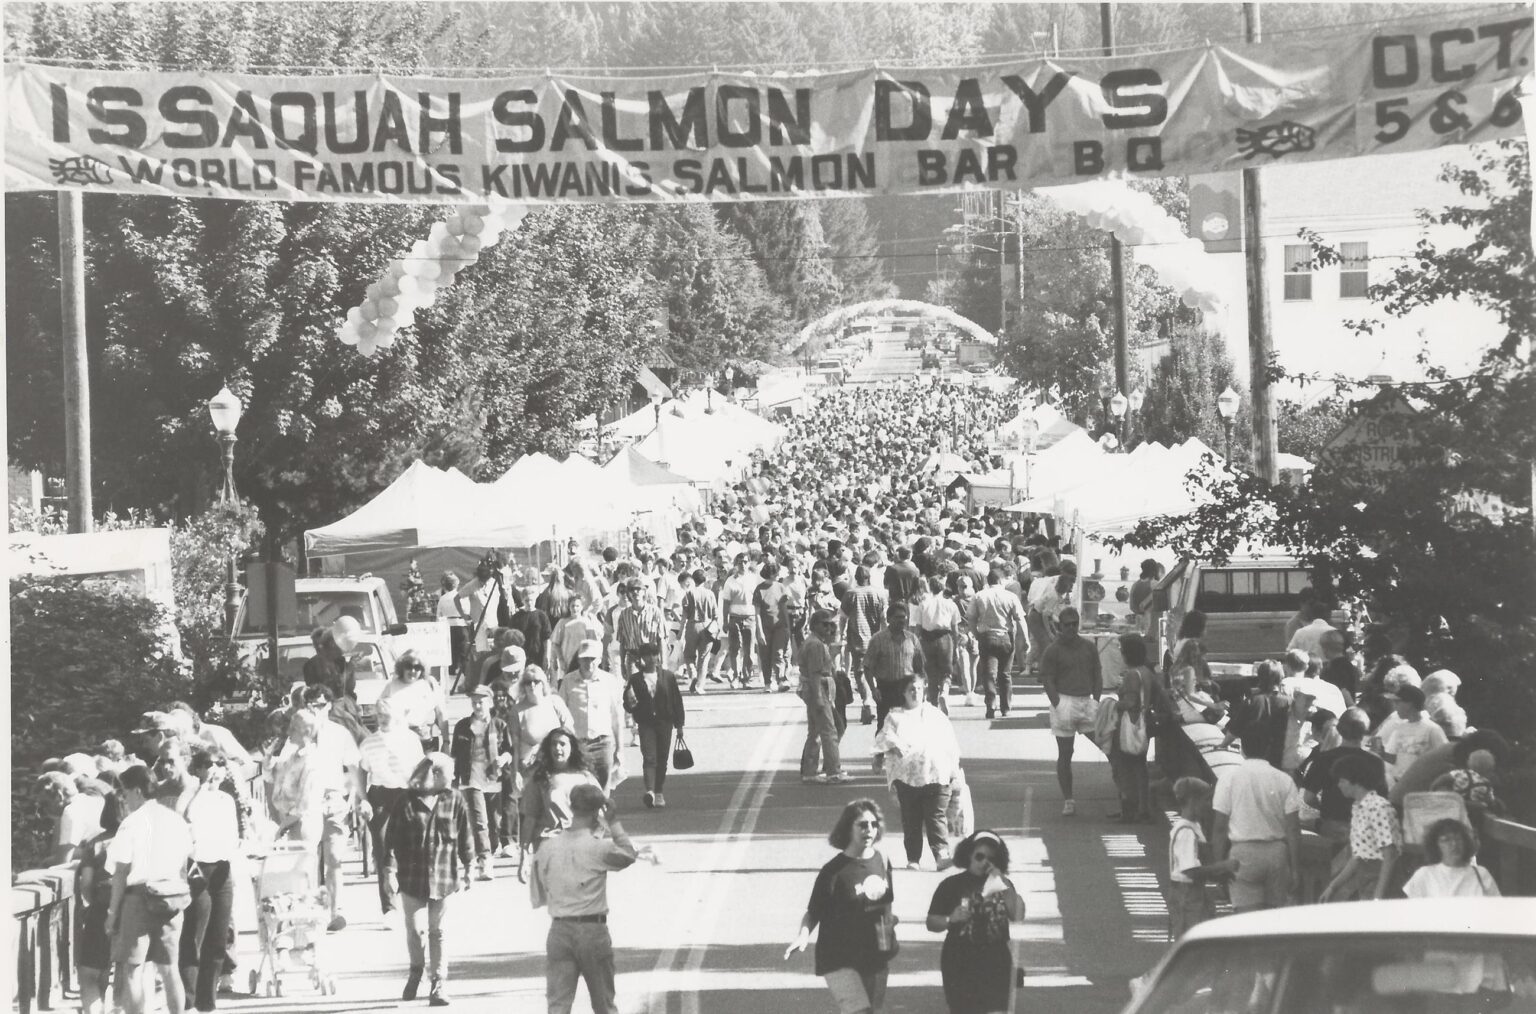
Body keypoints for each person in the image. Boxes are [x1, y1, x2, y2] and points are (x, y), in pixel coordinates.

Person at [529, 784, 639, 1014]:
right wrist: (613, 822)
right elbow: (628, 853)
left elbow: (539, 893)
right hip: (592, 929)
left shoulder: (547, 847)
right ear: (599, 812)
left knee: (558, 1005)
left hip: (559, 928)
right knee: (604, 1005)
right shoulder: (598, 848)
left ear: (571, 807)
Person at [785, 799, 898, 1014]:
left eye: (874, 824)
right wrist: (803, 935)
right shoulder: (833, 871)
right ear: (848, 827)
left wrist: (889, 923)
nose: (870, 830)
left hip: (875, 954)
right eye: (863, 825)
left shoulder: (882, 860)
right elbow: (813, 912)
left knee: (872, 1011)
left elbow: (886, 901)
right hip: (839, 958)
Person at [380, 753, 473, 1007]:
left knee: (438, 931)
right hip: (412, 877)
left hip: (444, 876)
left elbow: (465, 834)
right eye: (449, 772)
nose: (453, 777)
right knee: (415, 929)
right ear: (434, 773)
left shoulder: (454, 799)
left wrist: (470, 865)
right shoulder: (405, 801)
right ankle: (416, 970)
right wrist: (389, 870)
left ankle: (439, 982)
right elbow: (391, 840)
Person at [107, 763, 194, 1014]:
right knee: (169, 969)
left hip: (139, 898)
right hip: (171, 896)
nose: (123, 799)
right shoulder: (175, 819)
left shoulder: (131, 823)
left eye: (124, 792)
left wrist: (112, 913)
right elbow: (185, 860)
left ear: (136, 791)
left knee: (133, 969)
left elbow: (121, 871)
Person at [925, 830, 1025, 1014]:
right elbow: (931, 922)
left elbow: (1018, 915)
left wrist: (1004, 883)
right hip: (960, 960)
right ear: (968, 854)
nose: (984, 862)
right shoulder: (951, 885)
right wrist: (950, 919)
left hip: (996, 959)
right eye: (979, 856)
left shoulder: (1003, 884)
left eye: (991, 858)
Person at [1211, 731, 1302, 913]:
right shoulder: (1285, 780)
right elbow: (1293, 829)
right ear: (1268, 749)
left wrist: (1219, 865)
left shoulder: (1228, 778)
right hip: (1277, 853)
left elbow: (1220, 828)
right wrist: (1295, 869)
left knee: (1246, 922)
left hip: (1242, 854)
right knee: (1273, 920)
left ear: (1242, 748)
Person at [176, 749, 239, 1013]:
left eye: (219, 764)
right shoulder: (191, 796)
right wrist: (202, 789)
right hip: (197, 867)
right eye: (208, 765)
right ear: (198, 769)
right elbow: (185, 818)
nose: (214, 769)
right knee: (194, 935)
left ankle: (206, 1002)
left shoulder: (227, 799)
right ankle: (188, 1001)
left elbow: (233, 834)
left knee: (218, 936)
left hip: (222, 867)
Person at [876, 676, 959, 870]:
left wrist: (954, 770)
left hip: (936, 775)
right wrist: (885, 752)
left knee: (936, 817)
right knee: (911, 818)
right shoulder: (895, 717)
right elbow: (884, 739)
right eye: (911, 689)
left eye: (919, 689)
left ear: (925, 690)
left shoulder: (936, 715)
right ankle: (913, 859)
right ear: (904, 693)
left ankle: (941, 855)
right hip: (907, 779)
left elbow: (951, 743)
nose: (916, 693)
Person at [358, 698, 424, 918]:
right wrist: (363, 798)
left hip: (405, 794)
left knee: (407, 849)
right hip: (379, 795)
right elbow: (361, 771)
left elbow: (421, 769)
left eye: (386, 715)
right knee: (382, 849)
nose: (382, 719)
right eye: (379, 715)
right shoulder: (369, 743)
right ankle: (388, 906)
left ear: (396, 716)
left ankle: (410, 898)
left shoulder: (410, 739)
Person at [1038, 607, 1103, 817]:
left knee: (1107, 745)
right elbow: (1047, 678)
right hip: (1064, 701)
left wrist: (1096, 698)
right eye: (1068, 625)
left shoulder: (1088, 646)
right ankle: (1069, 800)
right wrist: (1057, 702)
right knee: (1066, 754)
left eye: (1075, 624)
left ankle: (1124, 792)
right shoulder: (1053, 650)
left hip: (1086, 702)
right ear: (1060, 626)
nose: (1072, 628)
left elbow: (1097, 672)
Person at [450, 685, 515, 881]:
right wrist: (452, 780)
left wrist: (504, 758)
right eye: (474, 702)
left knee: (495, 824)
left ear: (490, 701)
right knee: (480, 822)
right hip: (471, 779)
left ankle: (490, 848)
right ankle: (485, 859)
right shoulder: (463, 726)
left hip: (493, 779)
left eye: (481, 702)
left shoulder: (500, 725)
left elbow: (510, 751)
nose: (478, 706)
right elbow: (454, 755)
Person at [1319, 752, 1401, 903]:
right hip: (1364, 879)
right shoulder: (1358, 808)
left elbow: (1389, 855)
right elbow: (1358, 856)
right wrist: (1333, 886)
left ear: (1354, 782)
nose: (1339, 785)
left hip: (1380, 879)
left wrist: (1378, 897)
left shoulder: (1379, 807)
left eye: (1342, 781)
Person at [1166, 778, 1238, 940]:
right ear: (1192, 801)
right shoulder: (1186, 832)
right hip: (1187, 895)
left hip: (1194, 892)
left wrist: (1219, 874)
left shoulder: (1194, 827)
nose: (1209, 805)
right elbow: (1190, 870)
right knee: (1190, 936)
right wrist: (1223, 867)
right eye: (1206, 799)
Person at [1300, 708, 1383, 841]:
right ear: (1364, 731)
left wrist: (1324, 808)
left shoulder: (1324, 759)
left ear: (1339, 729)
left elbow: (1308, 798)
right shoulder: (1375, 762)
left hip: (1332, 824)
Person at [76, 785, 122, 1014]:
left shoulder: (95, 844)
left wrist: (91, 900)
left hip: (101, 909)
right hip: (132, 909)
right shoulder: (141, 838)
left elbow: (85, 884)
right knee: (126, 971)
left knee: (90, 973)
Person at [622, 647, 685, 809]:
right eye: (648, 655)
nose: (652, 658)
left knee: (662, 758)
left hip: (665, 722)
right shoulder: (635, 679)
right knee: (650, 757)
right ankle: (649, 791)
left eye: (654, 654)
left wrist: (679, 726)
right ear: (642, 658)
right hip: (646, 723)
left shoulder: (668, 677)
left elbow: (676, 701)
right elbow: (628, 704)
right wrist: (630, 702)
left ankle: (658, 791)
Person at [558, 639, 625, 791]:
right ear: (579, 659)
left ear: (600, 660)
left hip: (603, 743)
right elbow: (561, 714)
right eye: (585, 658)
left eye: (592, 659)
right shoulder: (568, 681)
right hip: (577, 744)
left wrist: (620, 749)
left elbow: (617, 718)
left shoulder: (609, 681)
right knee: (578, 789)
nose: (589, 663)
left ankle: (600, 815)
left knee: (602, 790)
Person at [520, 729, 603, 845]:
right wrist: (523, 855)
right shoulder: (540, 779)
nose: (557, 748)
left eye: (562, 744)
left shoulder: (586, 777)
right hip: (549, 841)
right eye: (554, 744)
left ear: (572, 748)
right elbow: (530, 818)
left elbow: (600, 816)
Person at [1109, 634, 1158, 824]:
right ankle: (1143, 808)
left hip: (1130, 724)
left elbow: (1130, 702)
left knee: (1125, 768)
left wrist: (1113, 704)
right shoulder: (1146, 671)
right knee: (1140, 767)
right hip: (1142, 723)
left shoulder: (1131, 675)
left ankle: (1128, 810)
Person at [966, 569, 1026, 720]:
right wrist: (1026, 639)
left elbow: (971, 618)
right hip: (1006, 637)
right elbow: (1020, 619)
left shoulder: (979, 596)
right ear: (1001, 581)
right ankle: (1006, 707)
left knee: (988, 674)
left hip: (986, 636)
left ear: (987, 581)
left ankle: (991, 705)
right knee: (1005, 674)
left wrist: (977, 634)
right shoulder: (1010, 596)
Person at [864, 601, 925, 748]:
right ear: (889, 618)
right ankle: (880, 756)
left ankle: (905, 756)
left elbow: (920, 666)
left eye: (904, 617)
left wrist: (922, 688)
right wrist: (873, 689)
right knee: (885, 725)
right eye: (898, 617)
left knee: (908, 724)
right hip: (886, 688)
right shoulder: (878, 640)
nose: (902, 620)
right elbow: (867, 666)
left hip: (907, 689)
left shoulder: (912, 639)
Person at [799, 609, 849, 784]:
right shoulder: (815, 645)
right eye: (824, 624)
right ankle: (833, 771)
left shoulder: (819, 642)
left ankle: (809, 771)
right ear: (814, 625)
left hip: (820, 689)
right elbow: (815, 674)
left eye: (830, 624)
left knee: (816, 731)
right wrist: (819, 698)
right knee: (829, 730)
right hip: (818, 689)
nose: (829, 627)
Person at [1403, 819, 1501, 898]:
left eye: (1458, 839)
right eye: (1446, 840)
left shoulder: (1481, 873)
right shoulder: (1425, 875)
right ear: (1436, 846)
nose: (1454, 844)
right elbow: (1412, 914)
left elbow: (1498, 910)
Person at [1372, 683, 1447, 785]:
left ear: (1409, 704)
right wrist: (1382, 753)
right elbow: (1394, 758)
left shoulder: (1432, 729)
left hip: (1421, 783)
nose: (1395, 707)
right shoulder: (1399, 728)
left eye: (1397, 703)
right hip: (1400, 781)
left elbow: (1444, 756)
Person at [381, 650, 450, 752]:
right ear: (402, 667)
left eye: (417, 667)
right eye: (409, 666)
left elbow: (441, 713)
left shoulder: (430, 683)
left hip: (426, 739)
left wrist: (446, 741)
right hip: (400, 740)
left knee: (426, 768)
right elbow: (381, 714)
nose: (413, 671)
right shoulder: (392, 685)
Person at [914, 576, 962, 712]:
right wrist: (956, 645)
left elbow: (918, 627)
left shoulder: (923, 604)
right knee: (947, 670)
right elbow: (955, 629)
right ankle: (945, 692)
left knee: (931, 673)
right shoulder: (951, 604)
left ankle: (934, 704)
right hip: (944, 637)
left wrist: (916, 643)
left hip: (927, 639)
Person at [38, 769, 104, 865]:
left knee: (45, 864)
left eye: (44, 803)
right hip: (101, 853)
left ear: (59, 796)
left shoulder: (70, 811)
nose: (43, 809)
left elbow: (63, 861)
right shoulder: (87, 799)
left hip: (98, 859)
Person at [720, 552, 760, 687]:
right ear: (736, 563)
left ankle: (747, 677)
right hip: (735, 617)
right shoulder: (730, 580)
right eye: (740, 562)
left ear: (749, 563)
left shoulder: (754, 579)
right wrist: (725, 621)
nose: (743, 564)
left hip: (750, 617)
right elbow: (726, 603)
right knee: (735, 648)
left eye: (745, 561)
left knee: (749, 650)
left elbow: (758, 600)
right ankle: (736, 676)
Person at [753, 559, 793, 692]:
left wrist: (787, 627)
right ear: (771, 574)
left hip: (780, 625)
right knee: (765, 655)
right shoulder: (759, 589)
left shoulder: (781, 587)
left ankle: (781, 680)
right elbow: (757, 613)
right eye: (776, 572)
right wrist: (759, 631)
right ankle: (768, 683)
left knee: (778, 653)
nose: (778, 575)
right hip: (765, 626)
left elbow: (784, 608)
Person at [681, 567, 723, 692]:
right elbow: (716, 614)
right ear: (705, 579)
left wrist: (680, 631)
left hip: (693, 625)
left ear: (693, 579)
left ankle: (693, 674)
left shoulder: (689, 593)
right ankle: (700, 685)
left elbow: (685, 613)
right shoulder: (710, 593)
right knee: (704, 658)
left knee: (689, 655)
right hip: (707, 626)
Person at [437, 572, 468, 679]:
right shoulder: (461, 597)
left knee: (451, 649)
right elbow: (467, 611)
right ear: (456, 584)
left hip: (447, 625)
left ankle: (452, 669)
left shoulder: (442, 598)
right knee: (463, 649)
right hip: (460, 624)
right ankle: (466, 670)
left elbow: (438, 615)